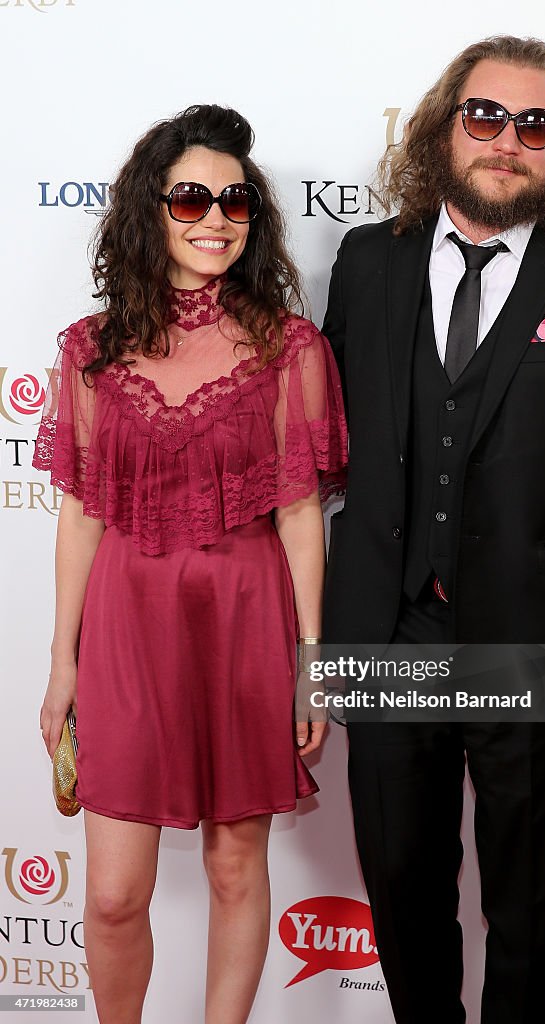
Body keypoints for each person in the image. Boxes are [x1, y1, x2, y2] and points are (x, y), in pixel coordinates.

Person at [322, 36, 545, 1024]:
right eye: (484, 116)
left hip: (542, 649)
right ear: (444, 129)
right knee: (402, 899)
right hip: (389, 634)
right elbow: (328, 448)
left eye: (534, 125)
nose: (505, 141)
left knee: (527, 917)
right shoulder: (365, 263)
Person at [34, 103, 347, 1024]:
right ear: (150, 210)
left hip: (248, 624)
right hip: (126, 628)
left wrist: (311, 667)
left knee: (233, 865)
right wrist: (63, 663)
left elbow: (300, 517)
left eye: (235, 201)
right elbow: (82, 517)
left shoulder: (292, 350)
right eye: (190, 198)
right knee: (112, 894)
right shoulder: (90, 351)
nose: (215, 218)